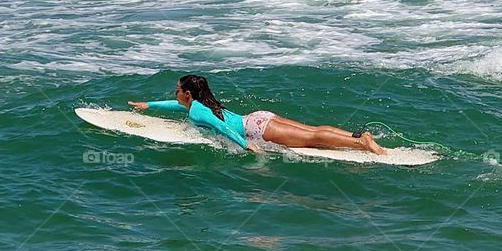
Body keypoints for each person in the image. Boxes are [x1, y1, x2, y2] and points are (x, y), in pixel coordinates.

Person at [128, 74, 386, 155]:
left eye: (177, 91)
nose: (175, 94)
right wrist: (149, 106)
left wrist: (246, 146)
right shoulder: (200, 102)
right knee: (312, 130)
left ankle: (361, 143)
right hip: (259, 118)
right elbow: (176, 107)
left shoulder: (197, 112)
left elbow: (221, 128)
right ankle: (357, 135)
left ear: (187, 94)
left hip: (256, 130)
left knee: (312, 139)